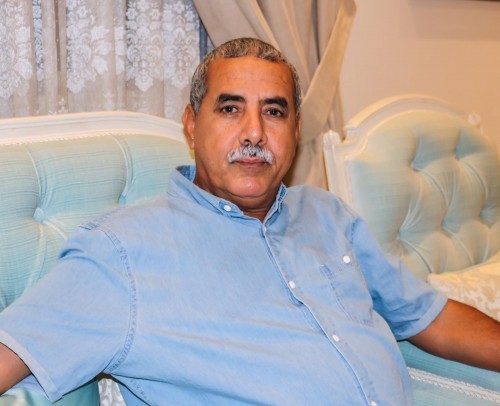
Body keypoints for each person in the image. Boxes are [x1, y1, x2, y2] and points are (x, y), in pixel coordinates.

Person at [0, 37, 499, 405]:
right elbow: (13, 353)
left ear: (296, 129)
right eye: (230, 108)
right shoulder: (122, 253)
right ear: (192, 124)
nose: (254, 133)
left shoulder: (327, 214)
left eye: (274, 112)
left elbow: (429, 316)